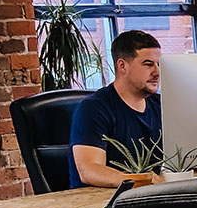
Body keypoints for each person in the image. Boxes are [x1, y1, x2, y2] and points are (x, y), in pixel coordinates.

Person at [69, 30, 164, 189]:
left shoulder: (161, 105)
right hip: (99, 204)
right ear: (122, 66)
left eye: (159, 65)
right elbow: (89, 170)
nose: (157, 72)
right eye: (148, 64)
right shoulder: (94, 109)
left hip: (147, 196)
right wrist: (143, 180)